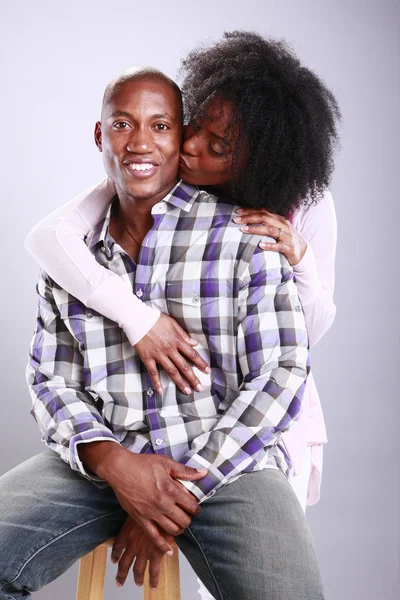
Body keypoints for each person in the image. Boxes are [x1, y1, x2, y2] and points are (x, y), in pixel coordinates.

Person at [21, 32, 339, 599]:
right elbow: (50, 377)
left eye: (162, 126)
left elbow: (291, 360)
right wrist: (114, 463)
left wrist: (177, 492)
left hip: (230, 454)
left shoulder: (254, 231)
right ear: (99, 134)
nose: (148, 143)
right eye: (122, 125)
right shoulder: (73, 248)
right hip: (106, 458)